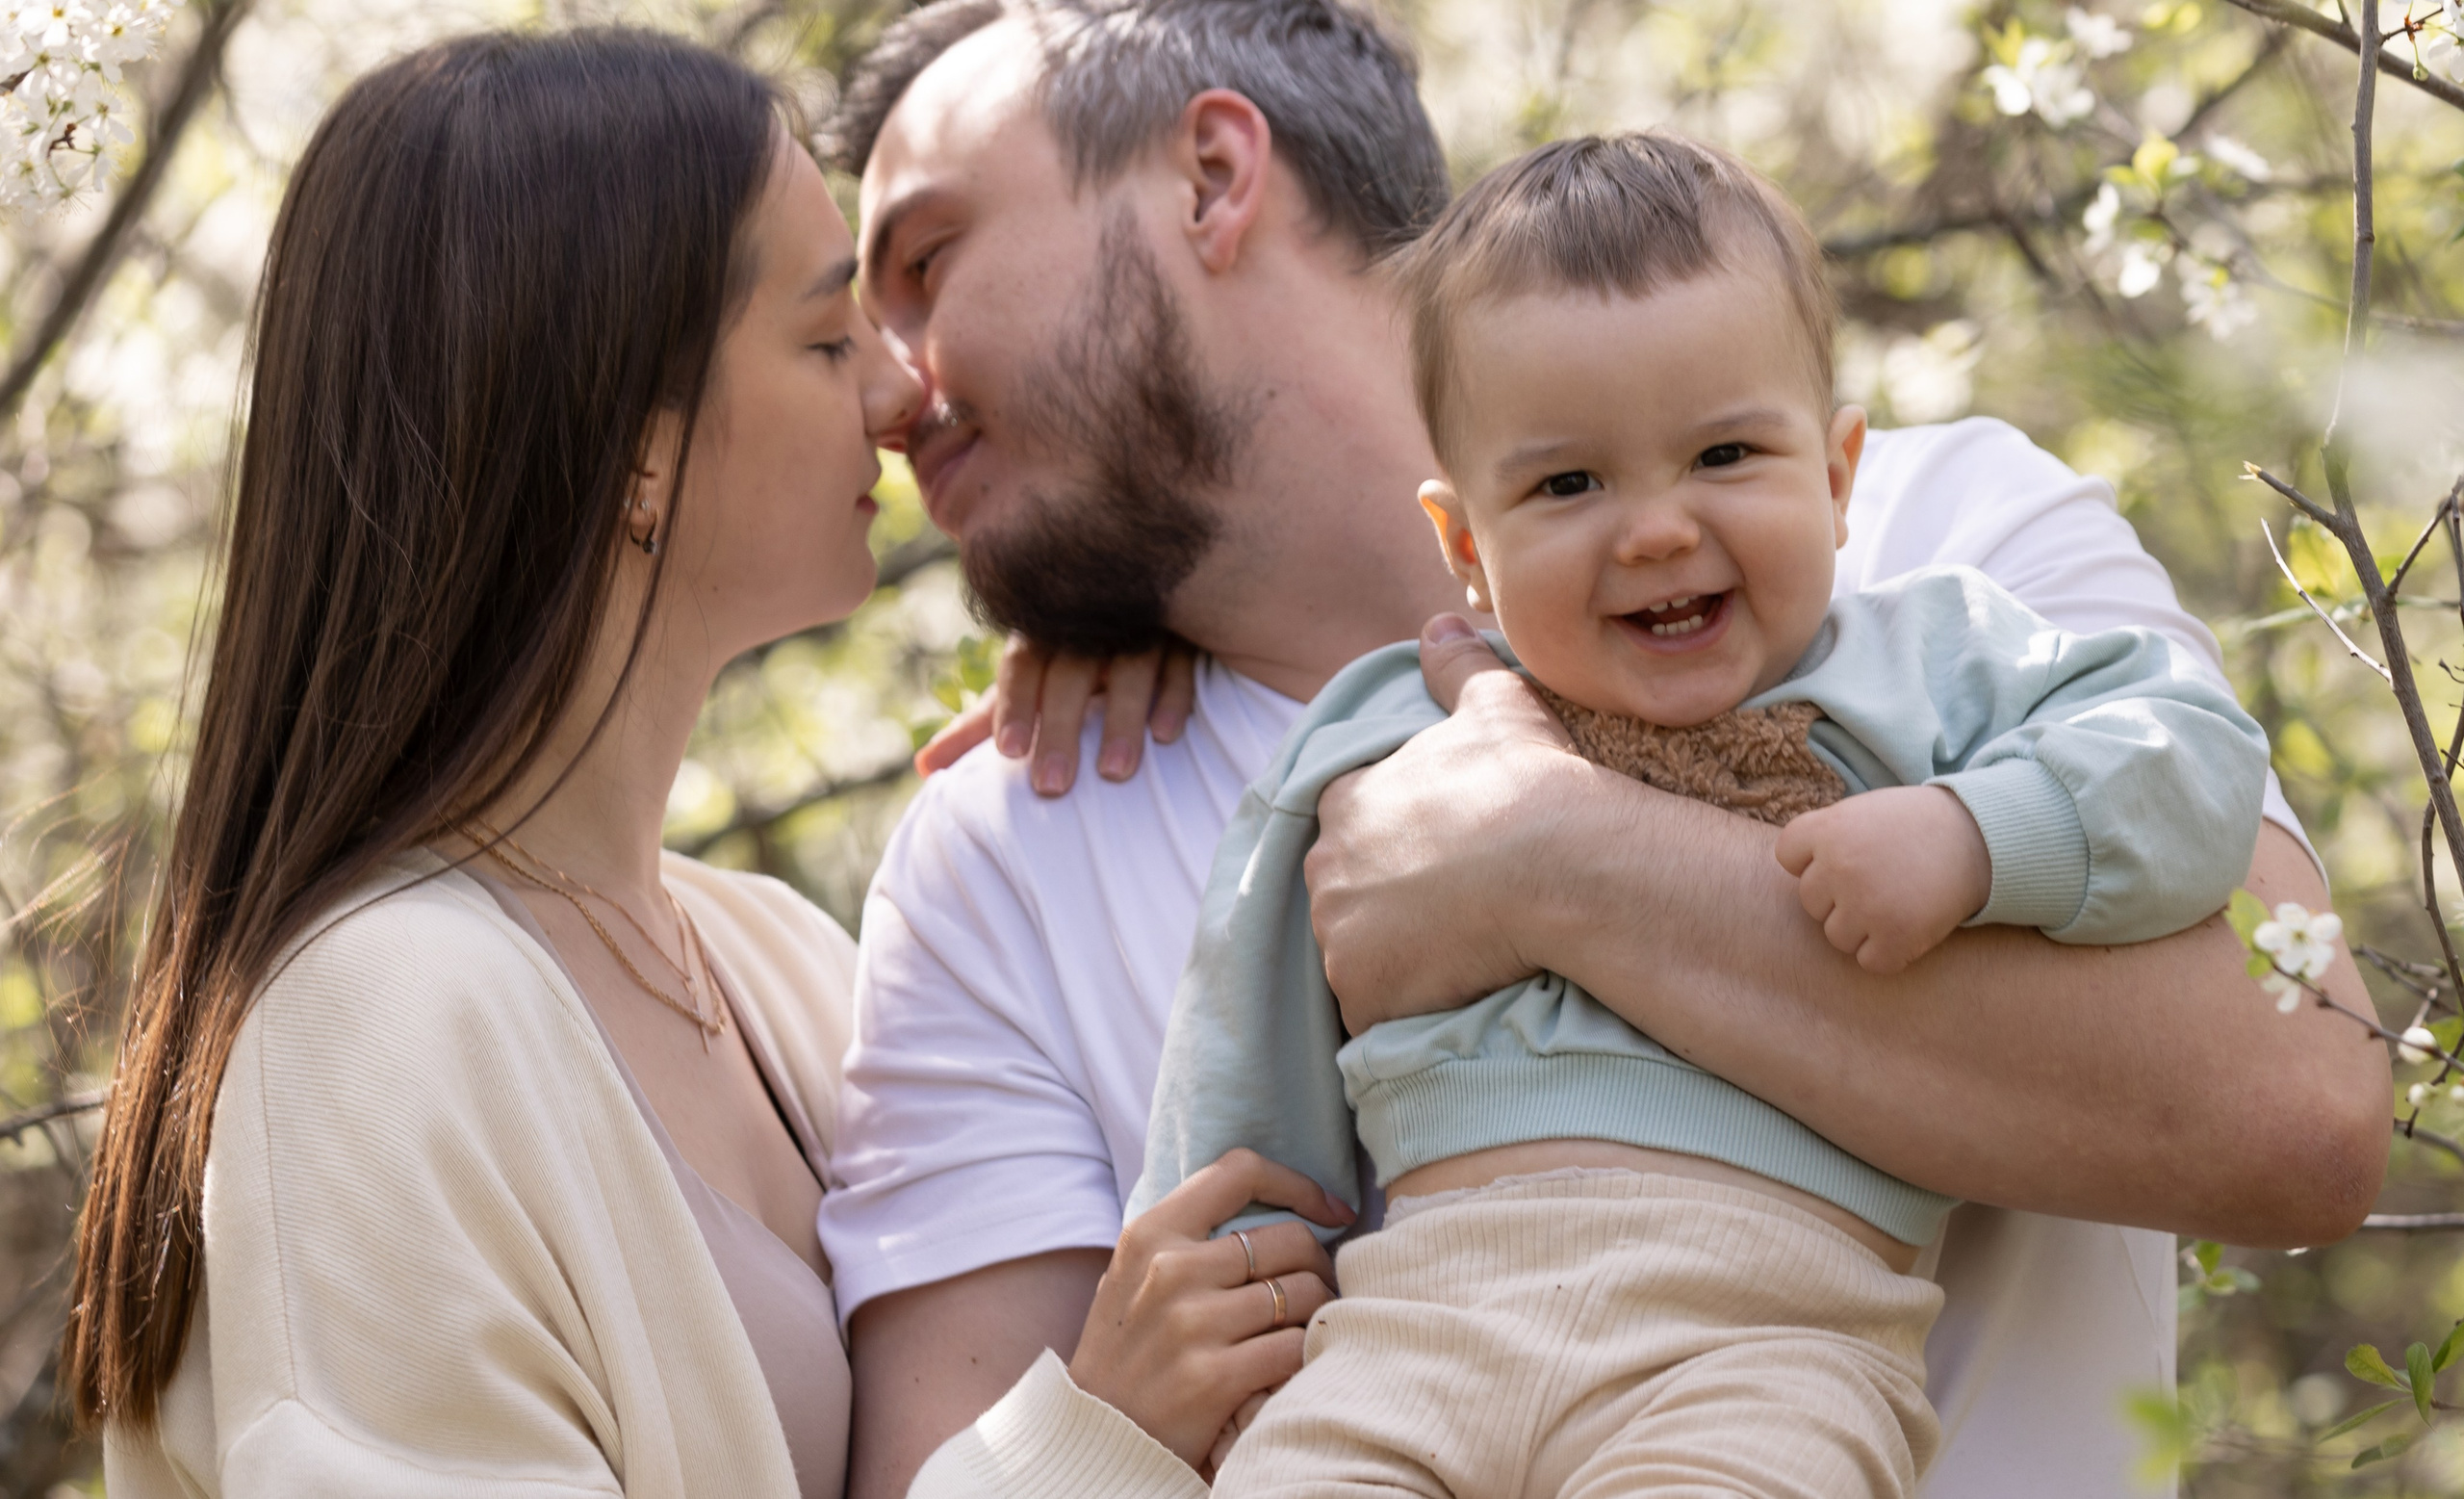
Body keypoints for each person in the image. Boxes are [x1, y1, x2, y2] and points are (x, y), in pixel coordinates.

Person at [820, 2, 2389, 1496]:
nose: (887, 388)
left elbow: (2303, 1111)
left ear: (1213, 175)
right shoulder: (1000, 845)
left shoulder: (1952, 549)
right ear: (1464, 538)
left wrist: (1545, 855)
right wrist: (1122, 1407)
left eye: (926, 263)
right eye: (1566, 486)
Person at [65, 28, 1341, 1498]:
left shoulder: (770, 961)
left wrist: (1152, 649)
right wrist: (1099, 1433)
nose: (902, 393)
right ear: (634, 448)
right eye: (825, 338)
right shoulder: (367, 1025)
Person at [1134, 130, 2272, 1497]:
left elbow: (2196, 761)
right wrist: (1230, 1313)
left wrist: (1980, 836)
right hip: (1410, 1332)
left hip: (1767, 1350)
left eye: (1724, 453)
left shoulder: (1938, 665)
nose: (1657, 530)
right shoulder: (1389, 735)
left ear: (1838, 478)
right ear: (1467, 547)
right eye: (1568, 484)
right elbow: (1238, 1036)